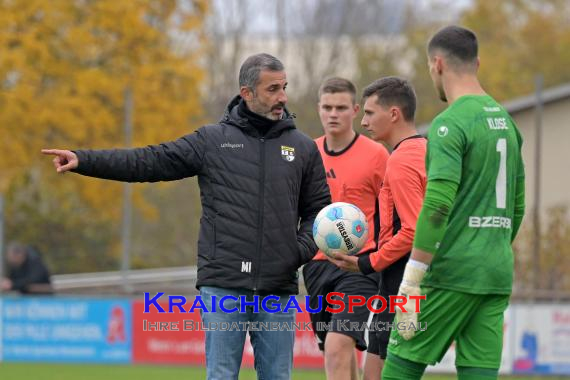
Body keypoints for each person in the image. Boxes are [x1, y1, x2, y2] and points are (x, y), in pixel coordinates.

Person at [42, 53, 331, 380]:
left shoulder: (303, 148)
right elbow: (147, 162)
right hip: (224, 286)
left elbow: (318, 211)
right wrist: (84, 160)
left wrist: (298, 251)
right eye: (273, 89)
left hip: (278, 287)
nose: (283, 97)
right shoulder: (211, 141)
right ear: (247, 93)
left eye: (284, 87)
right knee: (221, 376)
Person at [380, 26, 526, 380]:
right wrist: (489, 249)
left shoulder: (449, 124)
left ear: (438, 64)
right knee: (479, 373)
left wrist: (412, 280)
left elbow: (437, 205)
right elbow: (517, 207)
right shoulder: (506, 123)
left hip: (452, 273)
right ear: (477, 63)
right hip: (495, 273)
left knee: (399, 366)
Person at [330, 76, 426, 380]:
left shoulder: (401, 160)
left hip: (402, 281)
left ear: (394, 114)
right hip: (406, 279)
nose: (364, 121)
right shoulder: (426, 150)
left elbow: (412, 230)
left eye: (370, 113)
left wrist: (367, 263)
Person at [302, 77, 389, 380]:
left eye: (341, 107)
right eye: (327, 107)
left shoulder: (377, 155)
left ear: (354, 110)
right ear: (318, 109)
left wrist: (384, 257)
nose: (333, 114)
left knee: (340, 344)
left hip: (359, 267)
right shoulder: (306, 153)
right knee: (335, 350)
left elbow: (392, 209)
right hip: (316, 266)